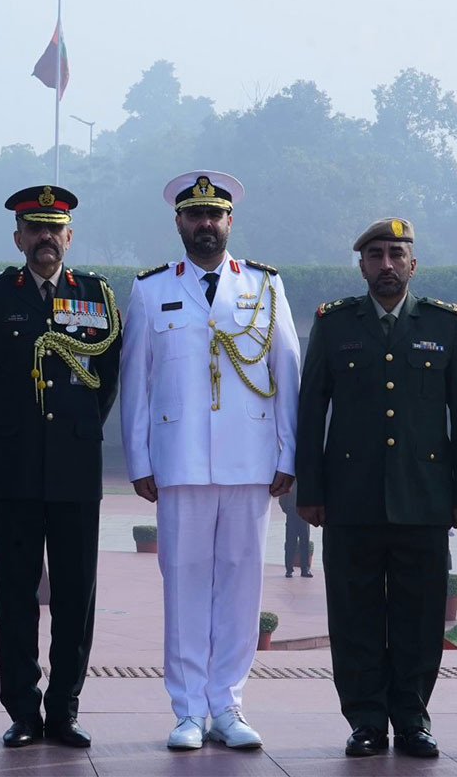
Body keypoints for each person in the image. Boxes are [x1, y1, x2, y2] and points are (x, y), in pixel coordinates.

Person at [119, 171, 300, 751]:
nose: (204, 224)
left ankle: (229, 704)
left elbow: (287, 373)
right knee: (184, 586)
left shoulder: (266, 286)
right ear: (179, 223)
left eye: (214, 215)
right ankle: (188, 711)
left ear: (229, 222)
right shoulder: (150, 290)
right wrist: (140, 456)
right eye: (193, 216)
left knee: (242, 585)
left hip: (250, 461)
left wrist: (289, 452)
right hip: (180, 462)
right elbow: (136, 381)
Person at [296, 217, 457, 758]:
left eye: (397, 254)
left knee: (420, 616)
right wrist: (310, 490)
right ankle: (366, 719)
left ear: (413, 264)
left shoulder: (445, 324)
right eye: (375, 255)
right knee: (353, 615)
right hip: (350, 497)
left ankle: (413, 717)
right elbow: (311, 411)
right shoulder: (335, 324)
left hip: (423, 499)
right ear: (362, 266)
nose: (386, 265)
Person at [0, 185, 121, 750]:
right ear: (18, 238)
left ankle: (63, 709)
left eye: (53, 228)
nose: (44, 238)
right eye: (34, 229)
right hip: (13, 466)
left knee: (73, 595)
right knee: (14, 594)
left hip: (75, 467)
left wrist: (80, 427)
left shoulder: (96, 294)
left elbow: (107, 376)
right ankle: (22, 710)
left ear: (68, 236)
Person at [279, 489, 312, 578]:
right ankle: (289, 569)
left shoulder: (306, 480)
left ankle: (305, 569)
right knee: (290, 542)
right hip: (292, 512)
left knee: (304, 542)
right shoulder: (290, 479)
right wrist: (289, 510)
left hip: (304, 513)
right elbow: (282, 499)